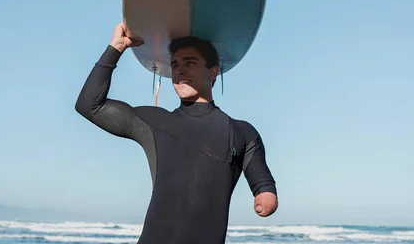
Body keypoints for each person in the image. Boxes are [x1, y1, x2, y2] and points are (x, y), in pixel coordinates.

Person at [75, 22, 278, 243]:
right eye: (174, 64)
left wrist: (265, 197)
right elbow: (89, 106)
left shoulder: (241, 133)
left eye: (189, 63)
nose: (180, 70)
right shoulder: (155, 122)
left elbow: (263, 184)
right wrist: (116, 47)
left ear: (213, 72)